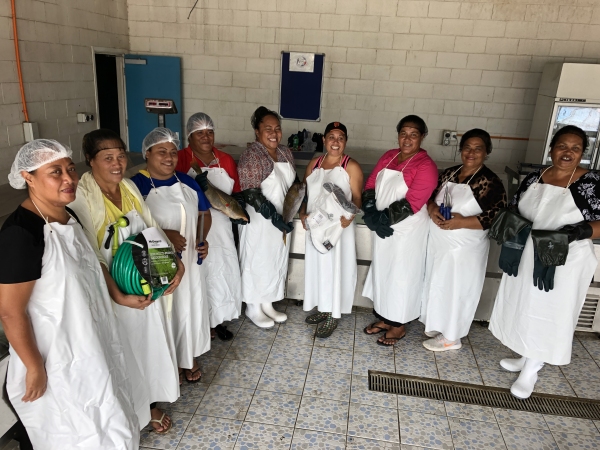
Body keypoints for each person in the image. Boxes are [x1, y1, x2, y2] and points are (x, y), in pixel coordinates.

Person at [0, 140, 139, 449]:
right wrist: (34, 366)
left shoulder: (68, 217)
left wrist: (119, 295)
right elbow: (11, 311)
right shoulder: (22, 234)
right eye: (55, 172)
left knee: (107, 413)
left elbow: (91, 265)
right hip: (57, 355)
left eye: (71, 169)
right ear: (28, 177)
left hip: (91, 340)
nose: (69, 179)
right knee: (73, 428)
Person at [69, 129, 183, 434]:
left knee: (147, 347)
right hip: (112, 292)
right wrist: (118, 295)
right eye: (108, 158)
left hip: (143, 283)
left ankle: (148, 404)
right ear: (90, 161)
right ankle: (129, 414)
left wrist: (176, 265)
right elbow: (90, 256)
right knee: (121, 353)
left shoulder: (129, 187)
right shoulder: (82, 197)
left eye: (121, 155)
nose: (117, 163)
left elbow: (153, 231)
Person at [489, 125, 599, 399]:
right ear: (551, 149)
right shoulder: (536, 176)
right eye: (563, 146)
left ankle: (532, 369)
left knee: (549, 311)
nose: (568, 153)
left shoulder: (591, 183)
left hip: (564, 261)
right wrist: (508, 220)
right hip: (526, 255)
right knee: (524, 304)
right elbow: (517, 206)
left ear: (582, 153)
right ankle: (526, 355)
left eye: (575, 148)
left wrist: (580, 231)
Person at [131, 127, 211, 384]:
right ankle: (169, 361)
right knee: (167, 309)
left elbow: (203, 214)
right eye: (161, 152)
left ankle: (188, 356)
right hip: (159, 263)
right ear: (147, 153)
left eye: (173, 152)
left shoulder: (186, 181)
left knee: (190, 304)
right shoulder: (137, 186)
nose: (169, 157)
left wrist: (202, 238)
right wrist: (165, 233)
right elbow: (132, 225)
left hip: (189, 259)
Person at [420, 129, 506, 351]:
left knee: (458, 288)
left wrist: (461, 222)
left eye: (478, 149)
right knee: (438, 284)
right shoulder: (449, 173)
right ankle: (438, 324)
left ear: (486, 152)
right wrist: (432, 210)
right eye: (467, 147)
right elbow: (429, 197)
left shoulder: (490, 181)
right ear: (460, 149)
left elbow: (495, 216)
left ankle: (452, 337)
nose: (471, 152)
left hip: (465, 249)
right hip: (439, 245)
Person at [362, 115, 438, 346]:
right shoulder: (389, 156)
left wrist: (381, 218)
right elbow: (371, 184)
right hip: (384, 227)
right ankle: (386, 318)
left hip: (407, 230)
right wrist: (370, 213)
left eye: (414, 134)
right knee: (385, 273)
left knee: (402, 276)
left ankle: (399, 325)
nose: (407, 138)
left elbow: (413, 201)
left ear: (422, 137)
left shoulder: (426, 166)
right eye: (403, 133)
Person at [175, 113, 244, 341]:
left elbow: (235, 194)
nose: (206, 136)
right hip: (193, 226)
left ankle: (219, 320)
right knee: (199, 275)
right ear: (189, 136)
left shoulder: (225, 160)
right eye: (200, 132)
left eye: (210, 131)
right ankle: (200, 323)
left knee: (221, 273)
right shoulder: (180, 158)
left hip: (222, 227)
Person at [299, 122, 363, 338]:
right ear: (324, 140)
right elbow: (306, 194)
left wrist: (350, 216)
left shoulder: (350, 166)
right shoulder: (314, 164)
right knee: (318, 268)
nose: (336, 142)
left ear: (345, 142)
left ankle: (333, 314)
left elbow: (356, 198)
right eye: (332, 137)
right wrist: (301, 213)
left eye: (341, 137)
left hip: (338, 229)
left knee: (335, 269)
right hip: (316, 227)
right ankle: (323, 307)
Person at [238, 106, 296, 328]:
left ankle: (268, 302)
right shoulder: (252, 155)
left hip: (282, 219)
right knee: (257, 259)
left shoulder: (284, 152)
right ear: (257, 131)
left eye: (277, 128)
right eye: (268, 128)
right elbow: (250, 192)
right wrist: (274, 216)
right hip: (259, 221)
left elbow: (293, 185)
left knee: (274, 260)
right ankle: (253, 306)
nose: (274, 133)